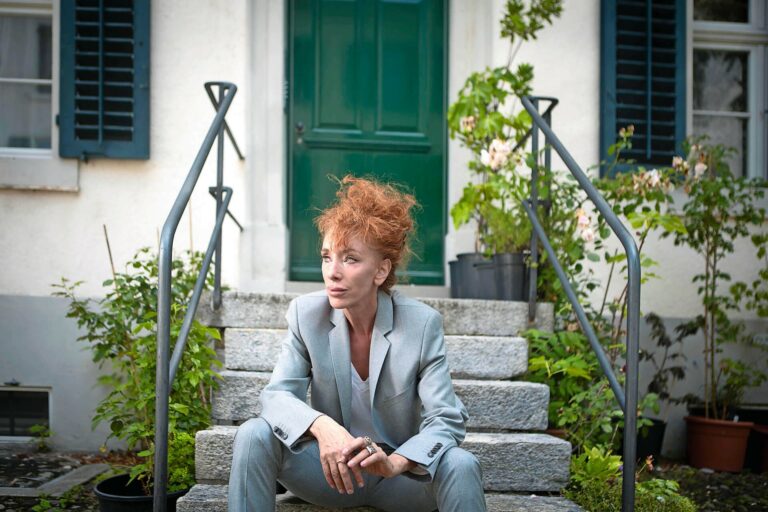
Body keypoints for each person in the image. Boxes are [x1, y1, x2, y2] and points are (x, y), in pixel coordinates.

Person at [228, 176, 486, 512]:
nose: (332, 272)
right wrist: (322, 427)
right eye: (327, 257)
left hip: (398, 480)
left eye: (350, 259)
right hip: (331, 473)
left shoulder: (421, 325)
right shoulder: (307, 315)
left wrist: (396, 462)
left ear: (380, 271)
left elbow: (446, 418)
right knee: (253, 434)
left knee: (461, 463)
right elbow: (276, 397)